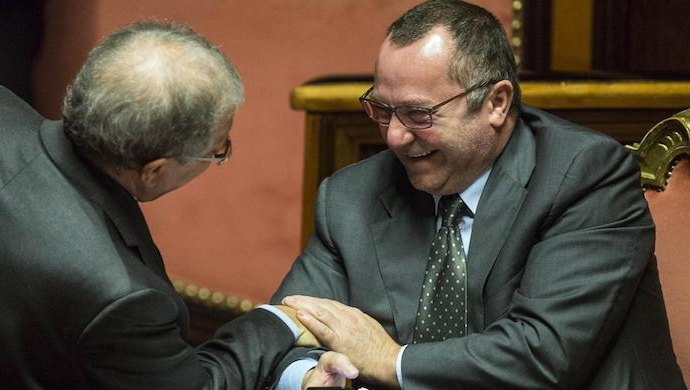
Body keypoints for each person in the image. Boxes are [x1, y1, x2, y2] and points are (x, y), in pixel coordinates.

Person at [0, 21, 357, 389]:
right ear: (153, 170)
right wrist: (277, 322)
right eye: (219, 150)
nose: (220, 155)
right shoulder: (118, 294)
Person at [274, 1, 685, 389]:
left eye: (419, 114)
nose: (395, 137)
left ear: (496, 102)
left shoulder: (584, 175)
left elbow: (542, 354)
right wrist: (310, 377)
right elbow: (282, 331)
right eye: (383, 110)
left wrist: (389, 360)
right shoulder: (350, 195)